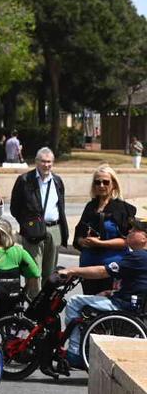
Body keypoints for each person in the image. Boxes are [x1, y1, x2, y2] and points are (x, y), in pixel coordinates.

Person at [60, 218, 147, 370]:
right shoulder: (140, 257)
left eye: (134, 230)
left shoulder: (138, 257)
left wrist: (72, 270)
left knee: (74, 301)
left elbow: (102, 271)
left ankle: (74, 353)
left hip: (124, 306)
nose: (129, 232)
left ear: (144, 237)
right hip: (131, 301)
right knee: (98, 296)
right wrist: (110, 292)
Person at [9, 147, 68, 297]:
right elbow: (15, 208)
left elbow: (60, 207)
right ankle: (32, 308)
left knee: (50, 273)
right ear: (36, 162)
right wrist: (27, 224)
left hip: (54, 229)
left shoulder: (57, 181)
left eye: (49, 162)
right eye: (43, 161)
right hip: (33, 231)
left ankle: (45, 306)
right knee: (34, 272)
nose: (46, 165)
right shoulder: (24, 180)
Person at [70, 164, 135, 295]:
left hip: (112, 269)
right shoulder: (90, 206)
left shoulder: (123, 209)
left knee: (108, 308)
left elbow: (128, 241)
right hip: (88, 268)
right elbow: (79, 235)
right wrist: (82, 241)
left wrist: (100, 243)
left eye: (105, 182)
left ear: (114, 185)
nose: (101, 185)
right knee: (88, 307)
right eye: (97, 182)